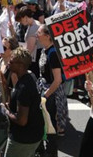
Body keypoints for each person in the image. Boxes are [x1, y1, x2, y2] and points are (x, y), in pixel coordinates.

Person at [3, 47, 44, 157]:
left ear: (20, 65)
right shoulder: (29, 76)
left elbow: (22, 121)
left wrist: (6, 112)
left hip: (24, 138)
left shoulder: (24, 87)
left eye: (11, 61)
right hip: (33, 134)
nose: (8, 63)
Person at [37, 24, 67, 156]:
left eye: (39, 33)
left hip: (51, 95)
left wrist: (45, 96)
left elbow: (57, 80)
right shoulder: (46, 50)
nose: (36, 35)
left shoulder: (53, 54)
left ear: (48, 36)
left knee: (50, 127)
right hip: (45, 91)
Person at [15, 7, 41, 78]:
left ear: (25, 17)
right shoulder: (34, 24)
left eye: (21, 20)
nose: (21, 22)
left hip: (35, 58)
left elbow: (29, 49)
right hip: (36, 56)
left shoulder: (34, 27)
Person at [0, 36, 20, 102]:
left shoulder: (13, 69)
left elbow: (16, 90)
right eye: (0, 46)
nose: (0, 49)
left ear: (12, 50)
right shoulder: (1, 60)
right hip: (1, 96)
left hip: (8, 100)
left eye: (3, 48)